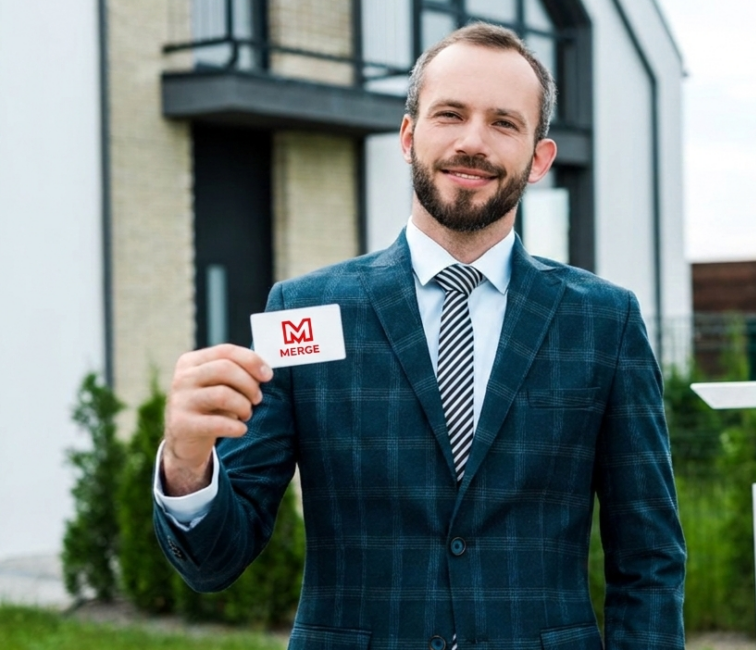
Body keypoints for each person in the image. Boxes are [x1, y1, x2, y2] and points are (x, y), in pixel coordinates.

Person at [153, 22, 686, 650]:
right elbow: (217, 562)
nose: (472, 142)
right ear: (408, 136)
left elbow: (648, 560)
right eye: (450, 114)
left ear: (540, 158)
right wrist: (187, 465)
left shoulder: (604, 322)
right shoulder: (303, 310)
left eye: (504, 123)